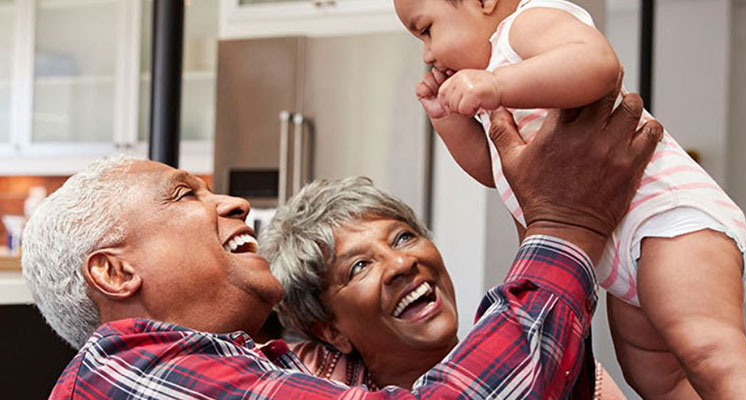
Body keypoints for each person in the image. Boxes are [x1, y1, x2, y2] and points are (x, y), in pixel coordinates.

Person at [20, 89, 661, 399]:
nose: (235, 203)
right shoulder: (129, 372)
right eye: (185, 195)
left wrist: (540, 211)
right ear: (114, 271)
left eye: (404, 235)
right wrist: (564, 226)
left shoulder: (275, 364)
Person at [393, 0, 746, 398]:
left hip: (666, 219)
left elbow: (597, 64)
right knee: (653, 378)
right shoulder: (491, 81)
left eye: (426, 31)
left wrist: (495, 86)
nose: (427, 54)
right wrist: (447, 119)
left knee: (710, 352)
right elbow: (494, 171)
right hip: (615, 253)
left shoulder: (525, 26)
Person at [259, 176, 627, 399]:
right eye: (359, 266)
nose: (401, 264)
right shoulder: (304, 380)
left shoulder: (546, 366)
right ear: (332, 330)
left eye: (403, 237)